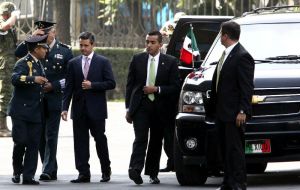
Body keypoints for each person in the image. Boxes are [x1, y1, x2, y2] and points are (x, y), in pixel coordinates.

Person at [15, 20, 73, 181]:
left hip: (54, 97)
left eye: (45, 33)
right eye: (40, 33)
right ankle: (50, 167)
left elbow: (69, 78)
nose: (43, 36)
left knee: (51, 134)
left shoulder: (65, 51)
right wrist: (32, 36)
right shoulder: (36, 47)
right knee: (38, 136)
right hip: (36, 99)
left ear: (53, 32)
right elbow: (18, 53)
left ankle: (47, 169)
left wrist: (53, 85)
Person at [125, 31, 180, 185]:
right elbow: (130, 85)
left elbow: (175, 87)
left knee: (156, 141)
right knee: (140, 138)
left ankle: (152, 172)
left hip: (161, 108)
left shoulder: (170, 62)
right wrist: (128, 109)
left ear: (160, 45)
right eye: (147, 42)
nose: (149, 45)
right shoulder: (137, 59)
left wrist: (157, 89)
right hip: (141, 106)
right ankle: (135, 169)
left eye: (152, 42)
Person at [61, 31, 115, 183]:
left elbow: (111, 83)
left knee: (100, 140)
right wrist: (64, 108)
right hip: (78, 110)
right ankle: (83, 173)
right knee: (80, 142)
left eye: (86, 45)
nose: (83, 48)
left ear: (92, 45)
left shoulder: (102, 62)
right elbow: (68, 88)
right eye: (81, 45)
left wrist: (93, 85)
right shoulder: (73, 63)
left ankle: (106, 170)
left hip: (97, 110)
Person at [210, 21, 255, 190]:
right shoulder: (226, 54)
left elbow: (246, 87)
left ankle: (238, 183)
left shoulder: (242, 56)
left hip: (234, 113)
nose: (219, 36)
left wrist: (243, 110)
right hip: (222, 112)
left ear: (225, 36)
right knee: (224, 149)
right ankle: (228, 182)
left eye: (220, 33)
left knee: (235, 150)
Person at [8, 34, 49, 185]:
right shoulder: (23, 62)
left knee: (33, 144)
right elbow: (14, 78)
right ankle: (17, 170)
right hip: (21, 111)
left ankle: (28, 176)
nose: (46, 50)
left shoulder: (39, 64)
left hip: (35, 111)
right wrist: (34, 80)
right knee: (21, 142)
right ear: (37, 49)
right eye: (44, 48)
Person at [0, 2, 20, 137]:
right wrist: (14, 15)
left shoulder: (9, 26)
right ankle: (1, 128)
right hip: (4, 65)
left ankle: (3, 126)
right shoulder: (2, 23)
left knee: (8, 94)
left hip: (10, 64)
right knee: (4, 95)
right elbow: (6, 25)